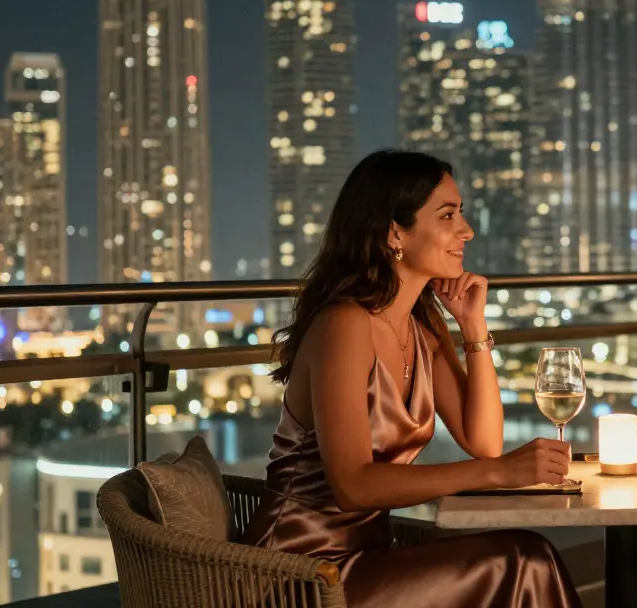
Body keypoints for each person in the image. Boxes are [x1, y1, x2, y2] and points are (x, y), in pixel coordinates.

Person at [242, 150, 580, 607]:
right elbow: (352, 486)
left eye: (461, 213)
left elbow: (484, 442)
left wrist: (473, 327)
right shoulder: (344, 324)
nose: (467, 230)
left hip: (368, 558)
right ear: (394, 232)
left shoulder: (422, 327)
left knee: (528, 558)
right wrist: (498, 472)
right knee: (524, 561)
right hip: (297, 574)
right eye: (448, 215)